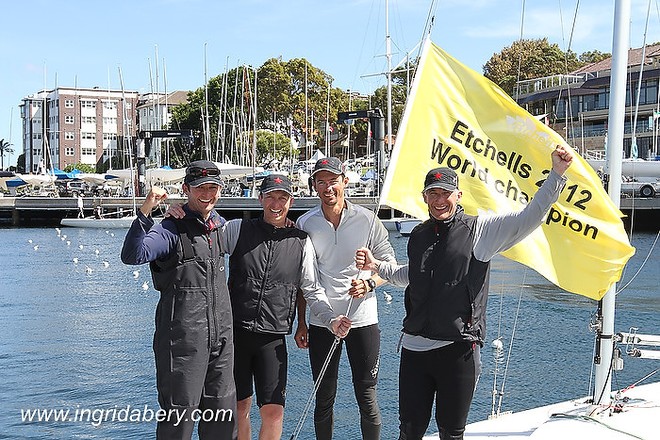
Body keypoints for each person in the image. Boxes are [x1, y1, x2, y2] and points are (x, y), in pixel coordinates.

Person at [354, 145, 574, 440]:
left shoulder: (480, 231)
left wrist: (556, 174)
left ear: (458, 196)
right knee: (408, 432)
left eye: (446, 193)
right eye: (433, 193)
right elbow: (413, 277)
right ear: (425, 197)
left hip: (458, 350)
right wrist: (376, 266)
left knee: (451, 433)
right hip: (414, 350)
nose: (439, 199)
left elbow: (529, 218)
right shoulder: (418, 235)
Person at [166, 173, 352, 440]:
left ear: (291, 201)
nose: (276, 204)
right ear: (260, 199)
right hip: (235, 334)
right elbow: (203, 237)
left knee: (274, 411)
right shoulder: (237, 230)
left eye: (282, 198)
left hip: (272, 337)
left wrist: (331, 319)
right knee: (239, 406)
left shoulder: (301, 241)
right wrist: (180, 212)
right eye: (270, 197)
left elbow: (311, 288)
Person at [121, 160, 236, 440]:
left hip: (221, 339)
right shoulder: (171, 230)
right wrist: (146, 211)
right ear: (186, 189)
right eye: (200, 188)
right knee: (179, 419)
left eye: (213, 187)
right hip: (183, 342)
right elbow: (133, 255)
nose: (207, 193)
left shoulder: (220, 227)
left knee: (222, 415)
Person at [295, 157, 397, 440]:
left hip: (362, 320)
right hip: (322, 322)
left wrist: (369, 283)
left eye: (333, 181)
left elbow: (389, 265)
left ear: (345, 182)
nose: (328, 187)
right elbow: (305, 281)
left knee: (366, 395)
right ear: (314, 186)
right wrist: (302, 324)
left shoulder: (367, 220)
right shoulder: (305, 223)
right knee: (324, 397)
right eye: (321, 181)